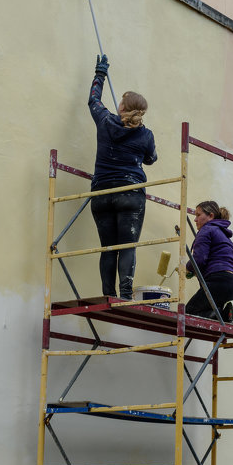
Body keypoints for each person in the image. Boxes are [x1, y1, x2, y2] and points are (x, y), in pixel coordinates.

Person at [88, 55, 157, 300]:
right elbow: (152, 159)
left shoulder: (106, 120)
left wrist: (100, 73)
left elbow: (93, 100)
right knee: (126, 246)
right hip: (130, 193)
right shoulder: (146, 134)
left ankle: (108, 294)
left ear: (122, 107)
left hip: (102, 192)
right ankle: (125, 294)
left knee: (108, 248)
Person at [184, 201, 233, 325]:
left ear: (211, 216)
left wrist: (187, 268)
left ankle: (227, 314)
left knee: (188, 314)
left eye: (198, 215)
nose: (195, 220)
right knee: (213, 315)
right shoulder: (224, 234)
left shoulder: (206, 230)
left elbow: (199, 259)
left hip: (219, 283)